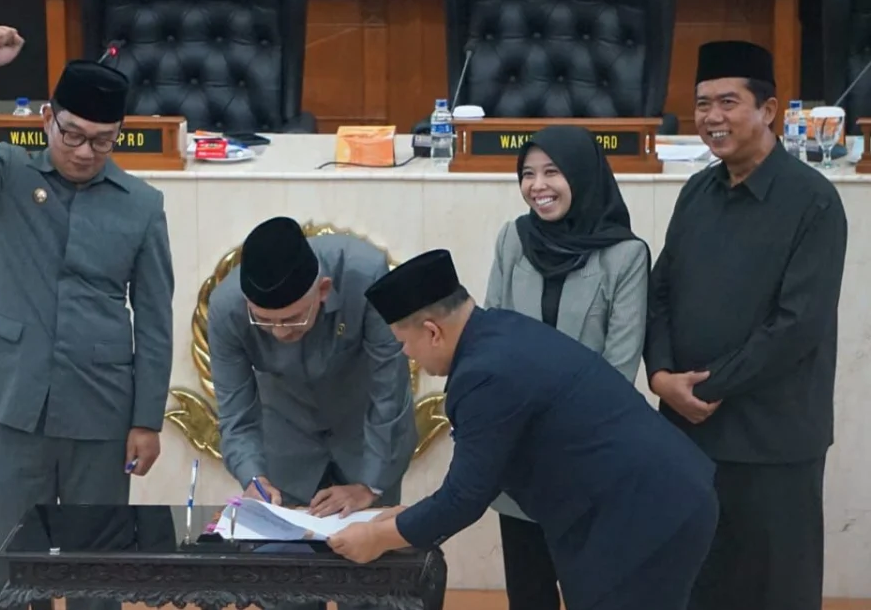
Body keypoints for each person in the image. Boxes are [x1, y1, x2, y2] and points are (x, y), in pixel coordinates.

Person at [0, 25, 175, 610]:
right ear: (47, 118)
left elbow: (156, 318)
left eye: (103, 141)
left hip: (102, 409)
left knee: (97, 564)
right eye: (73, 134)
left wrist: (147, 420)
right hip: (17, 400)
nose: (85, 151)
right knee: (11, 557)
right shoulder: (6, 177)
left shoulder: (142, 206)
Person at [328, 249, 718, 610]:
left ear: (432, 331)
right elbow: (488, 469)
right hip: (648, 505)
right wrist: (403, 521)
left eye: (404, 342)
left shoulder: (483, 376)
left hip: (643, 518)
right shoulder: (498, 331)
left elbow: (464, 498)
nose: (405, 354)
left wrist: (379, 538)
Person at [644, 40, 848, 610]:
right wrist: (661, 376)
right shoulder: (696, 193)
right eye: (702, 104)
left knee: (776, 590)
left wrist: (702, 388)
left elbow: (797, 325)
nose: (712, 118)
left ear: (769, 110)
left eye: (728, 102)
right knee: (696, 583)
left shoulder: (814, 202)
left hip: (774, 439)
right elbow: (658, 293)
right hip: (690, 436)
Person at [483, 125, 651, 610]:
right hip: (517, 453)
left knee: (592, 592)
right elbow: (491, 339)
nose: (538, 186)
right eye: (528, 174)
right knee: (528, 594)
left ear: (582, 174)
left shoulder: (626, 254)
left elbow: (618, 369)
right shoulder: (513, 238)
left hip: (587, 457)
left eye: (553, 172)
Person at [207, 216, 418, 523]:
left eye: (291, 319)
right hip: (285, 446)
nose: (279, 333)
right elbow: (235, 413)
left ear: (323, 290)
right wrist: (254, 478)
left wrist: (369, 485)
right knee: (289, 564)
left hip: (368, 442)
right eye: (264, 321)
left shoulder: (365, 275)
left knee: (371, 558)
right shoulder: (226, 308)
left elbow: (390, 388)